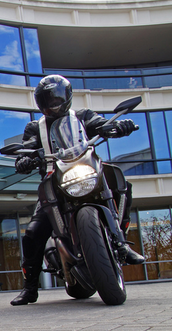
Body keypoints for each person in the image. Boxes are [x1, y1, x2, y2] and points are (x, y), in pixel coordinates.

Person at [10, 74, 145, 306]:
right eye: (47, 101)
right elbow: (28, 148)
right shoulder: (35, 127)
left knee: (120, 183)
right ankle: (30, 288)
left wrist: (116, 126)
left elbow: (101, 125)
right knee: (33, 232)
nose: (52, 105)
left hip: (85, 169)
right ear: (40, 103)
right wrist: (24, 160)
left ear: (66, 97)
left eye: (56, 100)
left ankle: (121, 243)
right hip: (55, 181)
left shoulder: (82, 116)